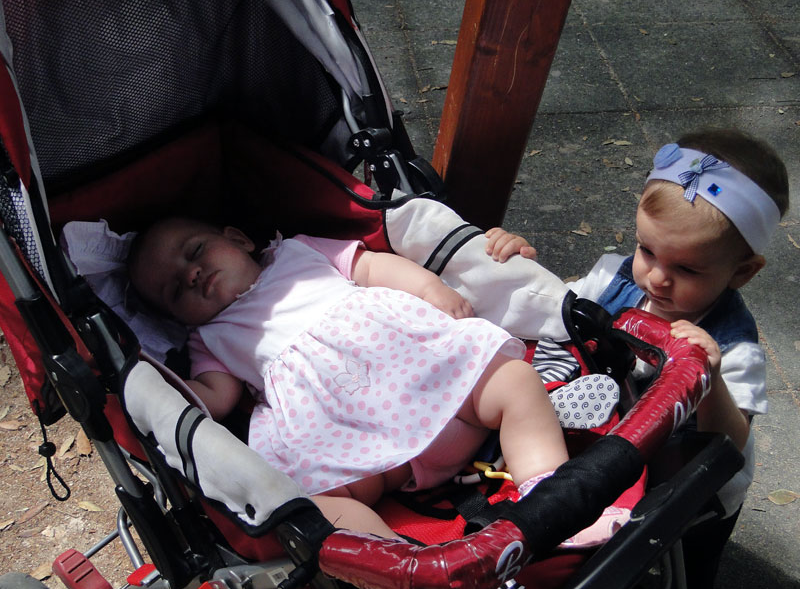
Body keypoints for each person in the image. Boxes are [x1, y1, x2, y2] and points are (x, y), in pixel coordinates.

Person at [126, 217, 627, 544]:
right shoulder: (209, 337)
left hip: (435, 382)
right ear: (178, 319)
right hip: (350, 442)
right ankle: (390, 568)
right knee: (305, 502)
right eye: (175, 291)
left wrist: (429, 288)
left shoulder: (297, 254)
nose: (192, 275)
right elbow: (214, 400)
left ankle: (553, 502)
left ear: (238, 238)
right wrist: (152, 378)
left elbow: (370, 267)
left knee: (514, 380)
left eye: (195, 252)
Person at [495, 127, 790, 589]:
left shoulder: (732, 345)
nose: (656, 277)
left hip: (688, 479)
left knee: (688, 565)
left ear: (741, 272)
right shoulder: (613, 277)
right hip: (614, 438)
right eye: (647, 251)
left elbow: (728, 443)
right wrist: (517, 267)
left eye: (687, 270)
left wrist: (710, 377)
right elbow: (555, 312)